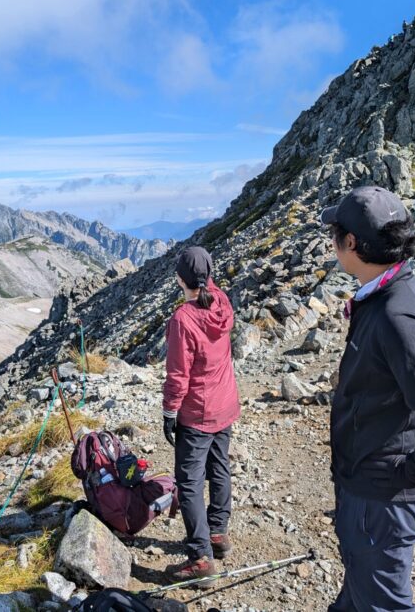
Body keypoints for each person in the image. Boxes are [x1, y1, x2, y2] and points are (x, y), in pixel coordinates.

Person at [320, 186, 415, 612]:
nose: (331, 241)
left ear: (350, 243)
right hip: (369, 489)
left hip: (381, 498)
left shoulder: (394, 314)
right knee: (361, 594)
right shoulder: (388, 290)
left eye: (335, 233)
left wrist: (414, 472)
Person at [161, 246, 240, 587]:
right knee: (219, 466)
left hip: (197, 412)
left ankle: (201, 558)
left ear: (180, 278)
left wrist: (169, 411)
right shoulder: (221, 301)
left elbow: (179, 374)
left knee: (190, 482)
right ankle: (218, 533)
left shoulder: (183, 319)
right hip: (225, 404)